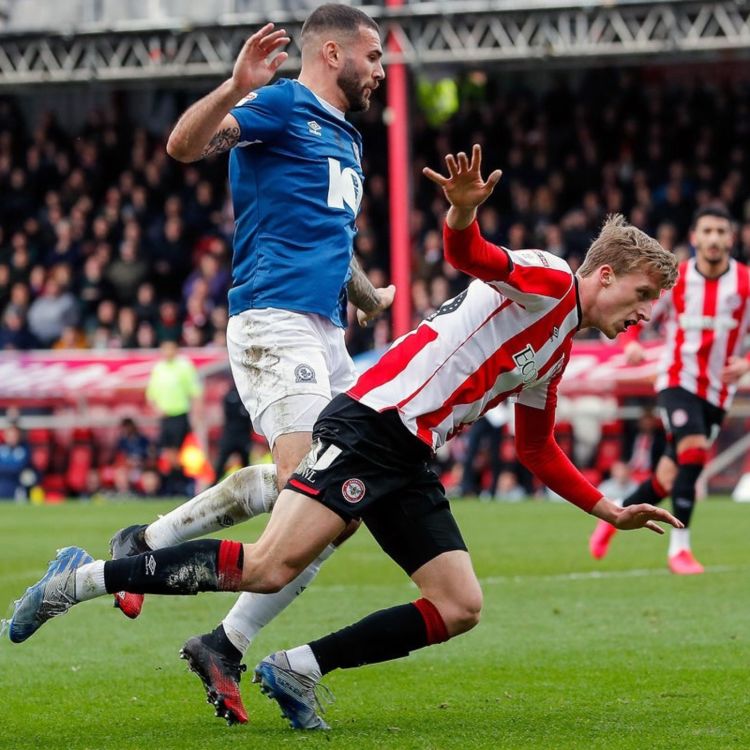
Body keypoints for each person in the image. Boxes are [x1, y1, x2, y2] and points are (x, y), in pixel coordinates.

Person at [9, 145, 683, 732]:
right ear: (604, 275)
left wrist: (610, 509)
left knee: (460, 604)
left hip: (411, 452)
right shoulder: (549, 280)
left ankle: (298, 668)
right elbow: (467, 254)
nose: (644, 313)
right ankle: (80, 580)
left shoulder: (558, 346)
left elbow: (536, 448)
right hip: (374, 423)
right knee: (272, 562)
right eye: (643, 293)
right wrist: (462, 210)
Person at [109, 5, 393, 725]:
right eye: (375, 55)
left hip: (327, 332)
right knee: (313, 491)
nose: (383, 70)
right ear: (333, 52)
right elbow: (183, 145)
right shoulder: (278, 103)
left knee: (343, 506)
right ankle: (143, 555)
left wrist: (367, 295)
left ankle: (216, 630)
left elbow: (331, 236)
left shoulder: (348, 138)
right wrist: (234, 86)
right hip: (274, 319)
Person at [589, 204, 750, 574]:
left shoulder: (744, 283)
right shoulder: (676, 282)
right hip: (677, 381)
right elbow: (643, 311)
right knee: (693, 453)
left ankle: (613, 514)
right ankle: (680, 549)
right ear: (694, 238)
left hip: (717, 394)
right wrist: (631, 341)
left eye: (720, 232)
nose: (714, 239)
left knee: (665, 479)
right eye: (706, 231)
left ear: (731, 238)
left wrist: (745, 363)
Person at [145, 338, 203, 451]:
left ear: (176, 349)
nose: (167, 351)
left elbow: (195, 392)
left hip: (180, 415)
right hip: (165, 417)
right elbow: (150, 395)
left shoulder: (184, 366)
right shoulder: (158, 368)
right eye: (164, 348)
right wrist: (157, 409)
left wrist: (196, 416)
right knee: (166, 451)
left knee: (181, 451)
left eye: (170, 348)